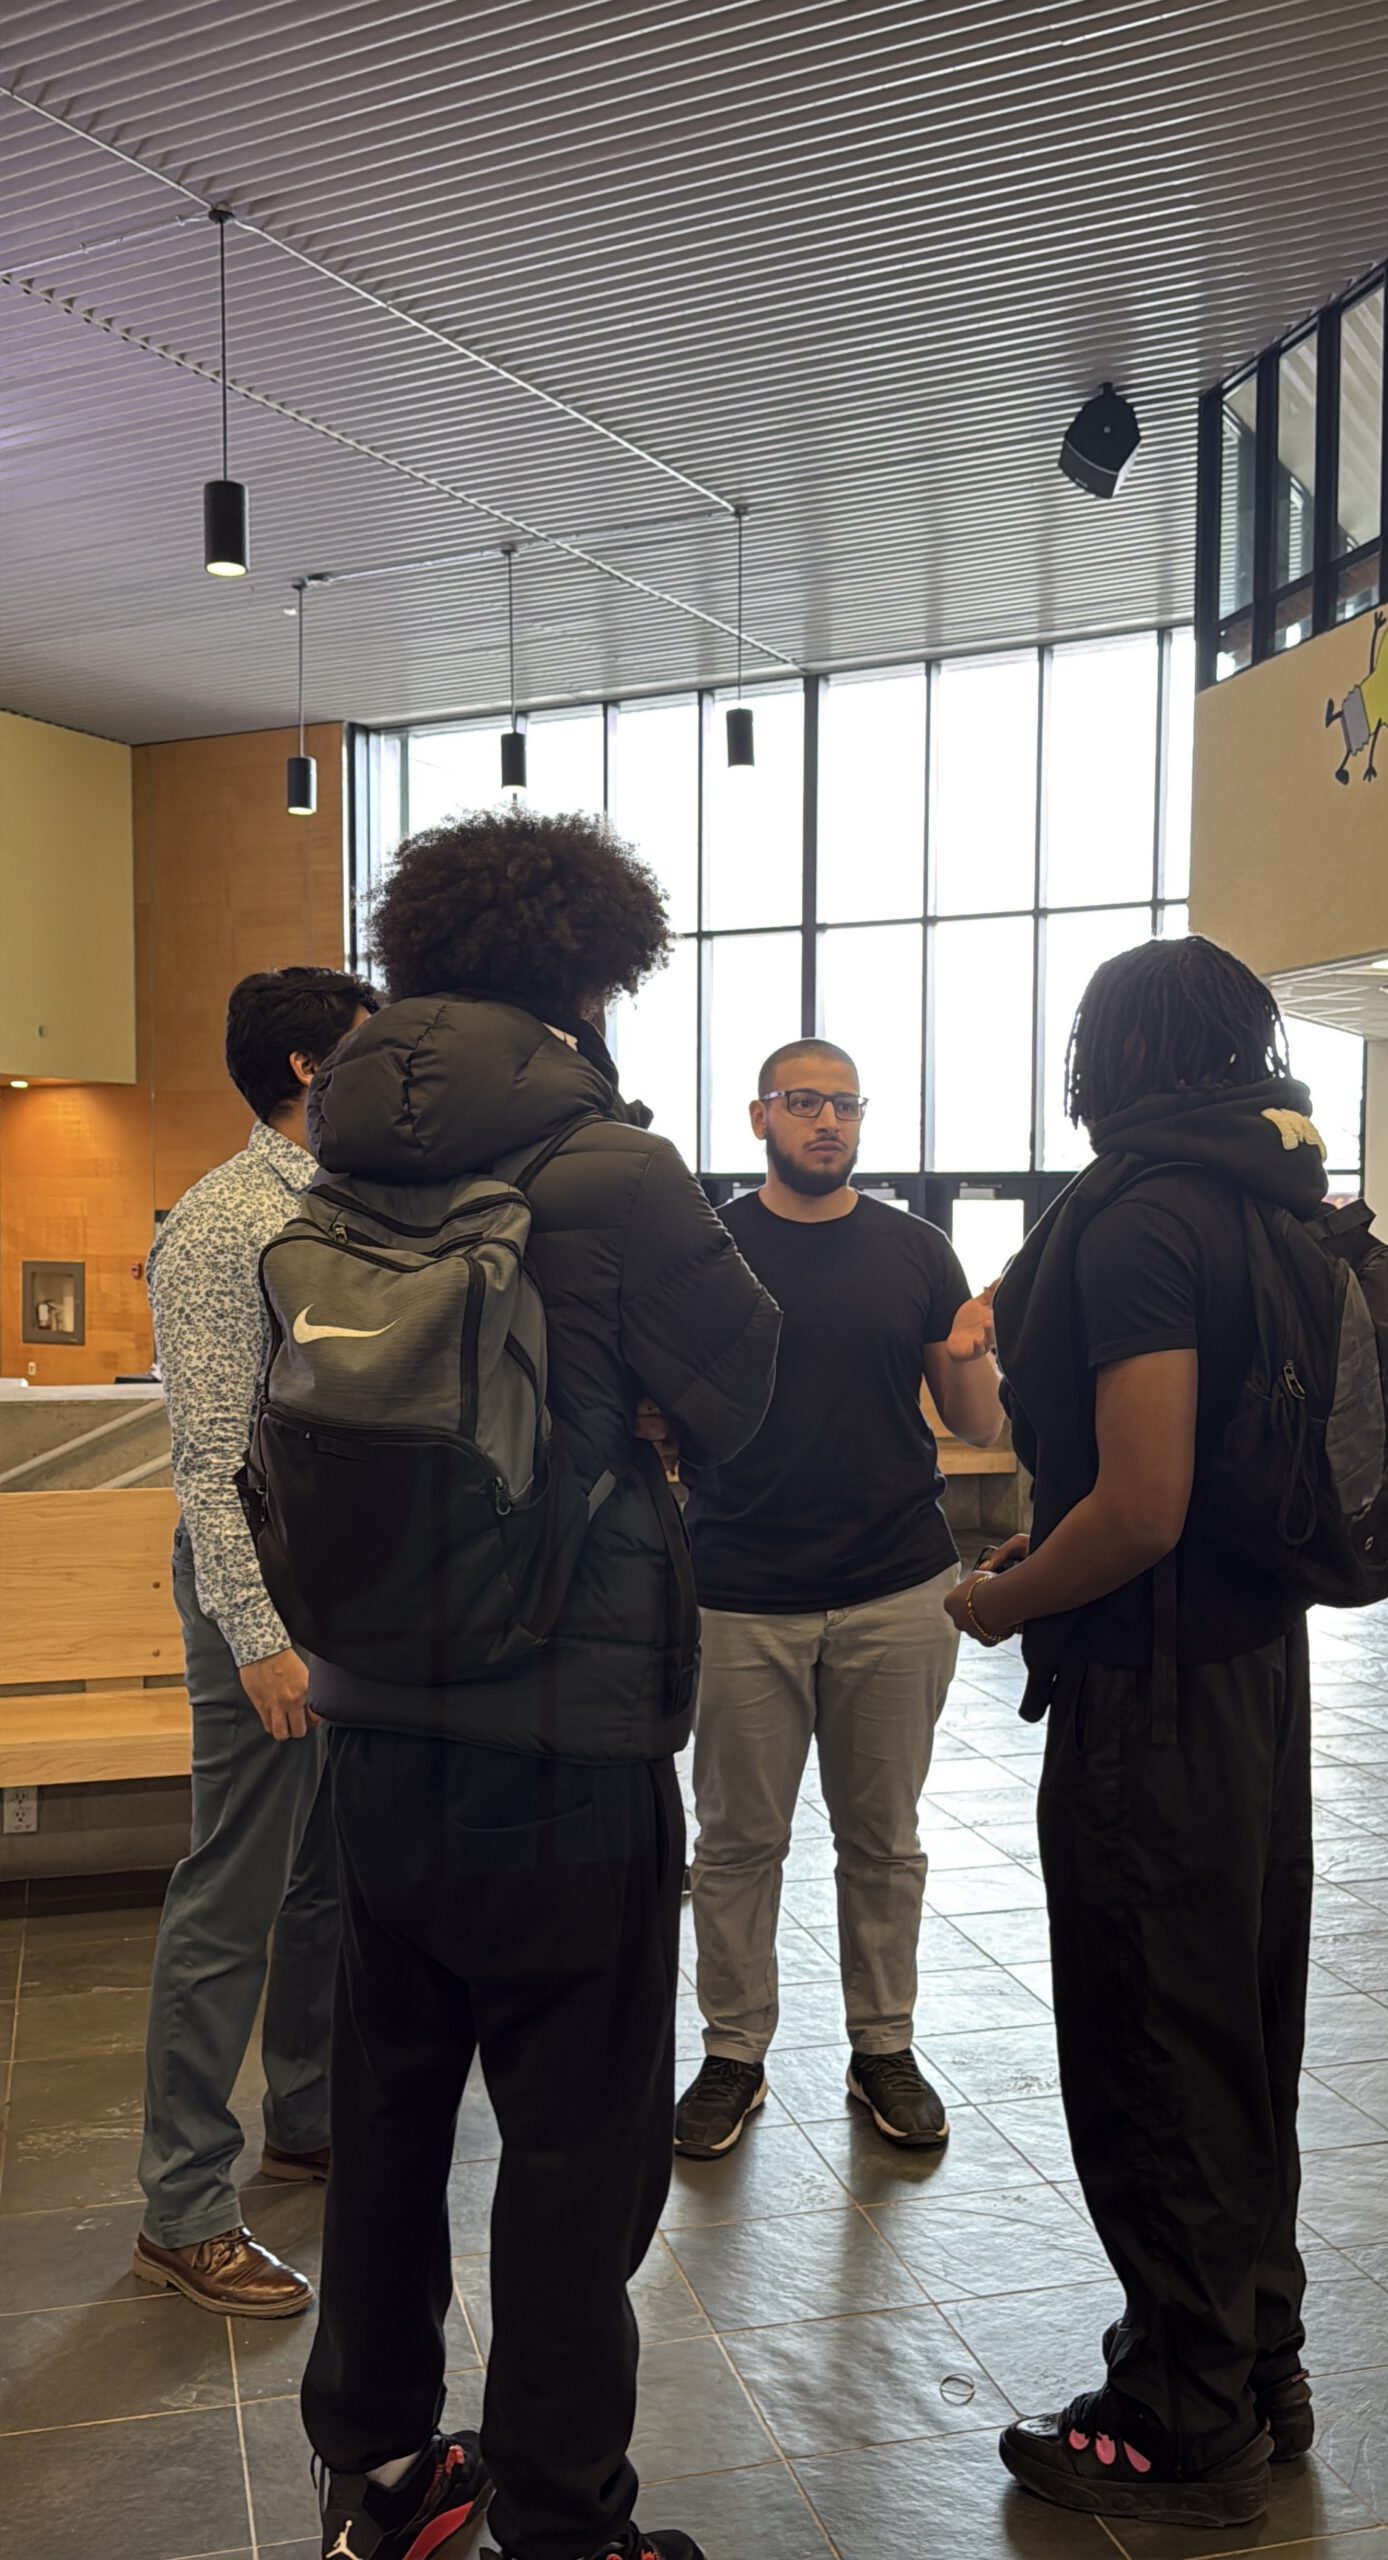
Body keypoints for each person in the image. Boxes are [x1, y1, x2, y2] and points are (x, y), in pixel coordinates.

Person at [296, 807, 780, 2560]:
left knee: (386, 2121)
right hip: (566, 1741)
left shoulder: (330, 1152)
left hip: (373, 1734)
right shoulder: (613, 1166)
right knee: (576, 2162)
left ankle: (377, 2484)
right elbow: (745, 1401)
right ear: (591, 970)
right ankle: (563, 2519)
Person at [948, 936, 1323, 2533]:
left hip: (1154, 1698)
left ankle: (1179, 2419)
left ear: (1110, 1058)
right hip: (1257, 1676)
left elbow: (1142, 1502)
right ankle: (1256, 2366)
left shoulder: (1143, 1216)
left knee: (1154, 2043)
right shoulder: (1274, 1196)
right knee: (1241, 2027)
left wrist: (1008, 1598)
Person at [675, 1040, 1005, 2160]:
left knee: (883, 1839)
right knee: (734, 1842)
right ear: (760, 1112)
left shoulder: (916, 1249)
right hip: (738, 1592)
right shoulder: (709, 1247)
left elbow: (976, 1427)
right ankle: (732, 2053)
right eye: (805, 1103)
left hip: (893, 1587)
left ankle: (884, 2047)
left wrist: (969, 1350)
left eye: (845, 1105)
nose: (828, 1122)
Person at [134, 964, 379, 2317]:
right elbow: (210, 1461)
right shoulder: (228, 1224)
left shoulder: (355, 1213)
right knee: (232, 1897)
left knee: (327, 1880)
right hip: (266, 1600)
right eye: (370, 1044)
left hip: (351, 1595)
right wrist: (258, 1634)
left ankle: (308, 2117)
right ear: (303, 1069)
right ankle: (181, 2205)